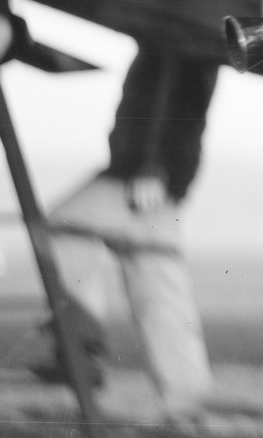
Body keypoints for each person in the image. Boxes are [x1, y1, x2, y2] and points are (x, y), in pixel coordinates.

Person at [37, 45, 217, 424]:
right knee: (160, 290)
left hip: (141, 176)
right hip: (161, 181)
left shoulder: (170, 32)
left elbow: (175, 90)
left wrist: (155, 163)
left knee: (60, 225)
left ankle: (80, 348)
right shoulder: (191, 33)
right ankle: (185, 408)